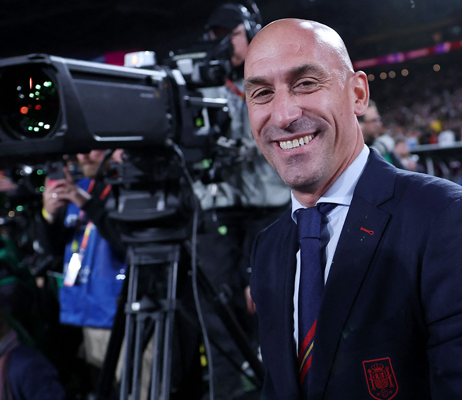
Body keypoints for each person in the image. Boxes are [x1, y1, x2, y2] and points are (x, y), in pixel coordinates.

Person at [244, 19, 462, 399]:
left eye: (306, 83)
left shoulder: (453, 222)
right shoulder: (269, 247)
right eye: (261, 93)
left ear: (358, 94)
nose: (284, 114)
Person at [194, 4, 291, 399]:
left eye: (228, 34)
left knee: (275, 296)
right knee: (219, 301)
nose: (221, 44)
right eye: (214, 36)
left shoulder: (272, 68)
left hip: (268, 203)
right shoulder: (205, 80)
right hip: (221, 204)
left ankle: (287, 379)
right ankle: (227, 390)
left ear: (249, 30)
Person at [38, 150, 126, 394]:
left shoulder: (124, 185)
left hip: (122, 312)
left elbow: (125, 242)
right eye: (79, 150)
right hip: (87, 313)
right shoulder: (79, 188)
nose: (84, 157)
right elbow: (54, 251)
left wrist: (87, 203)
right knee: (104, 389)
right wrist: (48, 215)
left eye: (92, 149)